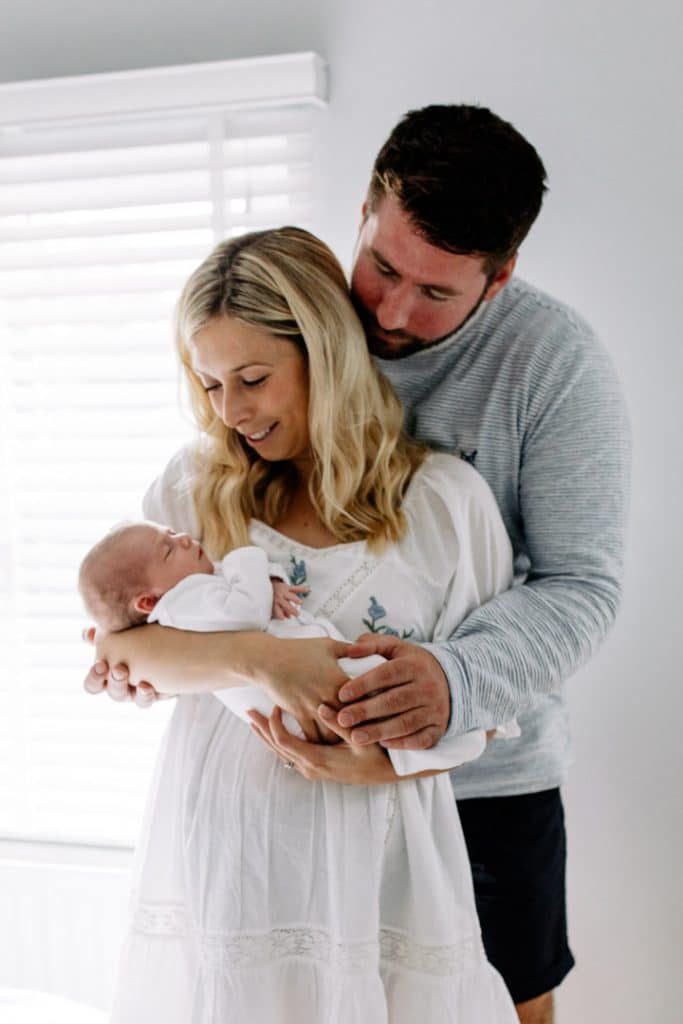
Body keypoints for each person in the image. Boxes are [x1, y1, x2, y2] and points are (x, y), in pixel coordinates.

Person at [86, 106, 631, 1023]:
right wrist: (234, 652)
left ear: (496, 283)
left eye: (434, 294)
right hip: (266, 823)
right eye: (380, 268)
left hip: (482, 778)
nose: (386, 312)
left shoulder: (545, 371)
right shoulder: (267, 366)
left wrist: (446, 698)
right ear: (362, 220)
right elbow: (134, 632)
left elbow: (581, 584)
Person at [99, 226, 521, 1022]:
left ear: (324, 353)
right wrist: (262, 661)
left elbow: (486, 714)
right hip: (230, 857)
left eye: (252, 378)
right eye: (211, 384)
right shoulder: (194, 493)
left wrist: (388, 767)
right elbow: (128, 646)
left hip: (383, 862)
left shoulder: (444, 503)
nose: (232, 411)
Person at [79, 521, 515, 771]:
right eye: (169, 549)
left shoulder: (188, 598)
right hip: (298, 696)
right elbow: (246, 612)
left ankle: (471, 727)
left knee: (392, 716)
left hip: (301, 691)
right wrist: (248, 558)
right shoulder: (185, 601)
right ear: (148, 601)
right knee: (387, 709)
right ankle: (476, 727)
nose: (186, 540)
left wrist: (266, 581)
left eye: (174, 533)